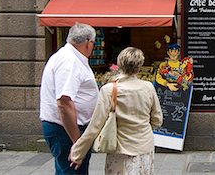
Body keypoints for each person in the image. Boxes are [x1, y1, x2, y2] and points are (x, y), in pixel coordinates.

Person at [69, 47, 163, 175]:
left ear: (119, 64)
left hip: (120, 149)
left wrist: (78, 152)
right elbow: (157, 120)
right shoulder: (148, 87)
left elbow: (95, 125)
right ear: (139, 66)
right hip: (144, 147)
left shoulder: (109, 90)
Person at [39, 22, 98, 175]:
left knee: (67, 170)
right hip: (66, 130)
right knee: (72, 171)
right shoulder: (69, 62)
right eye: (93, 42)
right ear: (87, 43)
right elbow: (64, 103)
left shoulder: (69, 57)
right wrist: (77, 142)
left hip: (66, 128)